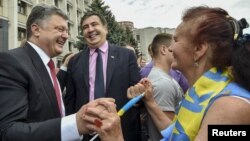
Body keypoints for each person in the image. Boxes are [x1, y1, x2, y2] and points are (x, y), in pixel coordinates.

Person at [85, 6, 250, 141]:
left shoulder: (231, 107)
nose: (170, 48)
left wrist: (114, 137)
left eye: (176, 40)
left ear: (199, 49)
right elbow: (176, 134)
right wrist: (150, 102)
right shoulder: (202, 91)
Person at [0, 4, 115, 141]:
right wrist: (75, 124)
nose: (65, 36)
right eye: (60, 29)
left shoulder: (48, 65)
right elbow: (8, 131)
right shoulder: (12, 62)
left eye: (67, 31)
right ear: (36, 30)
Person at [62, 11, 141, 141]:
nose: (90, 29)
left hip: (120, 132)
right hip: (87, 133)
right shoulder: (75, 61)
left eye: (94, 24)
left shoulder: (126, 56)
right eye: (85, 27)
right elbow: (70, 100)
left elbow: (136, 96)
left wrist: (140, 96)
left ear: (105, 28)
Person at [143, 33, 184, 141]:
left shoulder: (164, 78)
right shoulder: (163, 83)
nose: (178, 51)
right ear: (164, 50)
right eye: (175, 47)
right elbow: (169, 129)